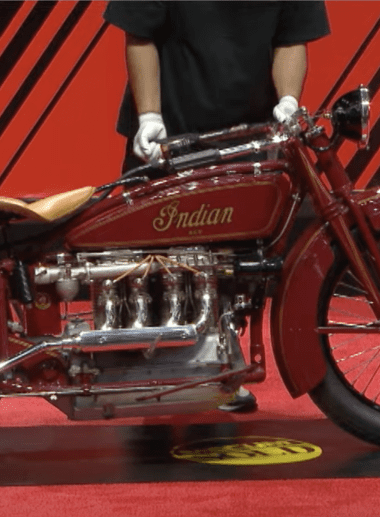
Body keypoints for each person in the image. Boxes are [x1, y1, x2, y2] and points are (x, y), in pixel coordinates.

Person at [103, 1, 330, 411]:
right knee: (151, 257)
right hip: (168, 127)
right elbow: (139, 33)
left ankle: (220, 364)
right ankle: (147, 368)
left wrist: (289, 100)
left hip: (249, 127)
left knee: (233, 263)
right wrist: (149, 114)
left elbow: (292, 38)